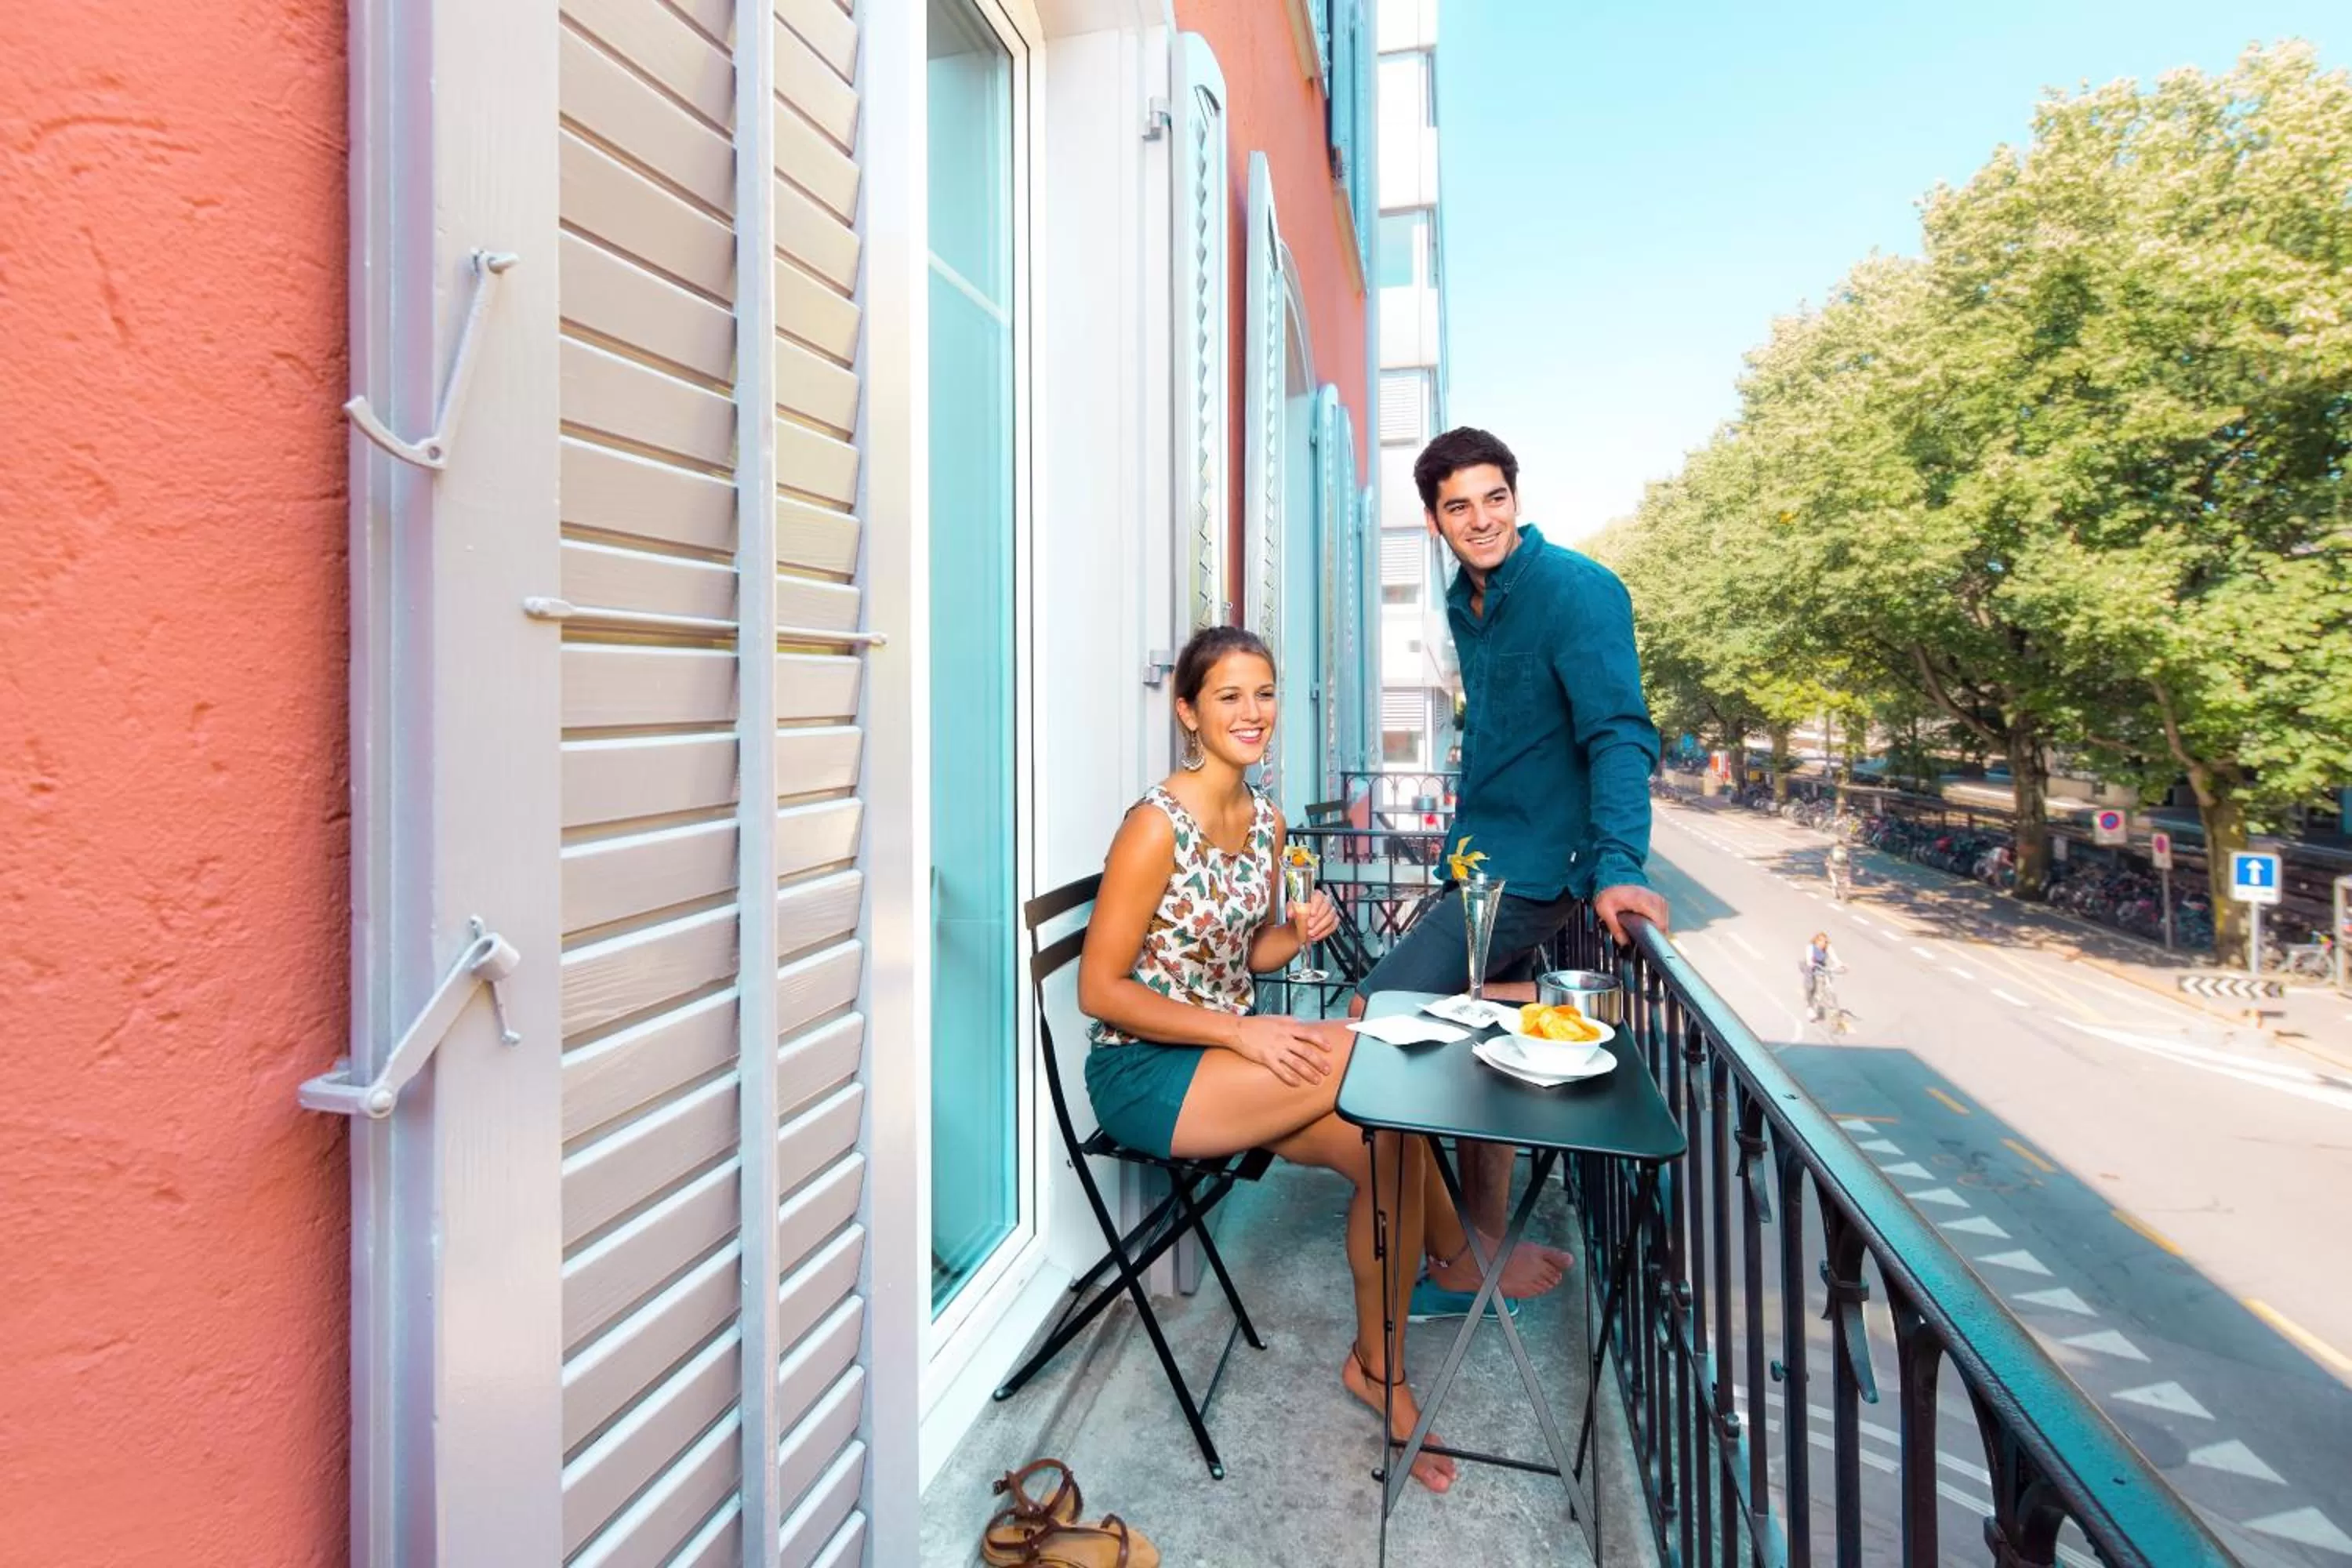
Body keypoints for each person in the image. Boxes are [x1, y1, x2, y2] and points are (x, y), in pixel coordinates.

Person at [1077, 625, 1542, 1495]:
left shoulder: (1266, 820)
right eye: (1228, 696)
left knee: (1386, 1138)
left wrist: (1292, 935)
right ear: (1187, 710)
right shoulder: (1154, 825)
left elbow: (1242, 954)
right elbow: (1099, 991)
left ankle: (1378, 1364)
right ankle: (1459, 1251)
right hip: (1146, 1070)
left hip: (1226, 1060)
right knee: (1365, 1060)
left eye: (1264, 692)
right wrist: (1242, 1031)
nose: (1252, 712)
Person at [1349, 426, 1672, 1320]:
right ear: (1435, 519)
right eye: (1459, 506)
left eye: (1494, 497)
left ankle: (1456, 1249)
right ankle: (1479, 1238)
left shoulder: (1578, 590)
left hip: (1534, 874)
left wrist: (1618, 865)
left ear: (1515, 497)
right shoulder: (1466, 602)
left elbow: (1618, 731)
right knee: (1473, 1022)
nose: (1480, 518)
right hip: (1481, 862)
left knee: (1372, 1020)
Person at [1799, 931, 1842, 1020]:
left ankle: (1829, 1003)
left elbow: (1834, 957)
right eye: (1821, 941)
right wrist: (1811, 963)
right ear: (1816, 941)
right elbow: (1809, 958)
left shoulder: (1828, 947)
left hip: (1821, 968)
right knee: (1810, 987)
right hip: (1811, 967)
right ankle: (1810, 1008)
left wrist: (1839, 964)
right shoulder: (1811, 947)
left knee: (1826, 982)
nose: (1823, 944)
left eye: (1825, 942)